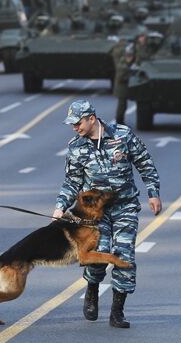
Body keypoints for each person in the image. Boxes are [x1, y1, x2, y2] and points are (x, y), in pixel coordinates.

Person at [52, 100, 162, 328]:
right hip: (93, 215)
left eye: (78, 123)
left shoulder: (122, 135)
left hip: (125, 207)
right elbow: (71, 182)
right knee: (98, 255)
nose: (75, 128)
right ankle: (92, 288)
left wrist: (153, 193)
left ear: (91, 118)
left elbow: (145, 163)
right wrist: (60, 207)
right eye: (72, 124)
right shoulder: (76, 146)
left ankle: (117, 312)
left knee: (124, 257)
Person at [113, 43, 135, 125]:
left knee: (123, 106)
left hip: (123, 89)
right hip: (121, 89)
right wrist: (130, 74)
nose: (130, 58)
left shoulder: (126, 64)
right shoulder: (122, 66)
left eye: (131, 57)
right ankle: (119, 121)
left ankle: (120, 121)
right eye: (128, 57)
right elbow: (121, 77)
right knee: (122, 106)